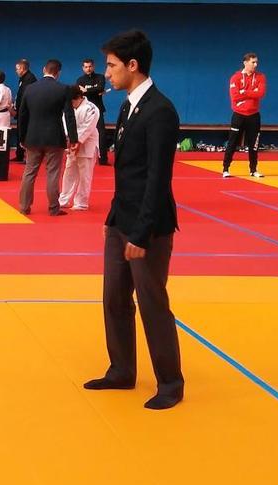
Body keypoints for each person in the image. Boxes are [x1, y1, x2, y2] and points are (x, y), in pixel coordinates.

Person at [86, 30, 184, 411]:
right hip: (120, 221)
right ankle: (122, 370)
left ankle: (171, 383)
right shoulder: (128, 107)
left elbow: (158, 179)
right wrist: (114, 219)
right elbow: (128, 172)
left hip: (149, 227)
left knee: (152, 301)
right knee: (114, 298)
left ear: (132, 65)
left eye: (111, 66)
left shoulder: (161, 111)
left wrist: (141, 233)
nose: (106, 73)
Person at [17, 60, 78, 217]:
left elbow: (22, 115)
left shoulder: (30, 89)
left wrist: (21, 137)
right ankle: (53, 208)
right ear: (58, 73)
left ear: (44, 69)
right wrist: (73, 138)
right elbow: (69, 116)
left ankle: (24, 207)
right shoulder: (63, 89)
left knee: (29, 172)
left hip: (32, 137)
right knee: (53, 173)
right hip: (54, 137)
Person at [222, 52, 267, 179]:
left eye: (256, 62)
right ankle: (226, 168)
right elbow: (235, 96)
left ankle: (253, 169)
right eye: (253, 62)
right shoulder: (235, 77)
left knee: (254, 144)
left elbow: (261, 93)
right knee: (232, 142)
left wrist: (244, 92)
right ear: (245, 62)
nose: (255, 65)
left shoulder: (260, 77)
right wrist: (252, 93)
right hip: (238, 115)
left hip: (254, 115)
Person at [59, 85, 99, 210]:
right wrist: (69, 138)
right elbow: (65, 123)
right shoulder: (68, 108)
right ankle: (63, 200)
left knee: (84, 175)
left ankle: (81, 202)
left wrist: (77, 140)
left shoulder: (91, 108)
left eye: (72, 101)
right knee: (68, 172)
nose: (71, 104)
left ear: (79, 97)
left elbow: (88, 128)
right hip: (72, 143)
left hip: (87, 144)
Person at [76, 58, 110, 164]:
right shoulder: (80, 80)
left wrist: (87, 90)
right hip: (85, 111)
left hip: (98, 110)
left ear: (93, 67)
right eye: (86, 67)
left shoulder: (100, 77)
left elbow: (100, 88)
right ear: (83, 68)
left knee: (101, 134)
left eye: (90, 66)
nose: (88, 69)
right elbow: (79, 94)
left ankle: (103, 159)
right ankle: (80, 157)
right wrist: (95, 91)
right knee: (82, 134)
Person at [13, 59, 37, 161]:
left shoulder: (29, 79)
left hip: (27, 112)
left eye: (17, 69)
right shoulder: (23, 79)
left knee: (25, 133)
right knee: (20, 132)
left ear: (23, 68)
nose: (16, 71)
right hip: (21, 111)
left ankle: (28, 157)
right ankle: (19, 155)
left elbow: (26, 97)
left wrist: (21, 110)